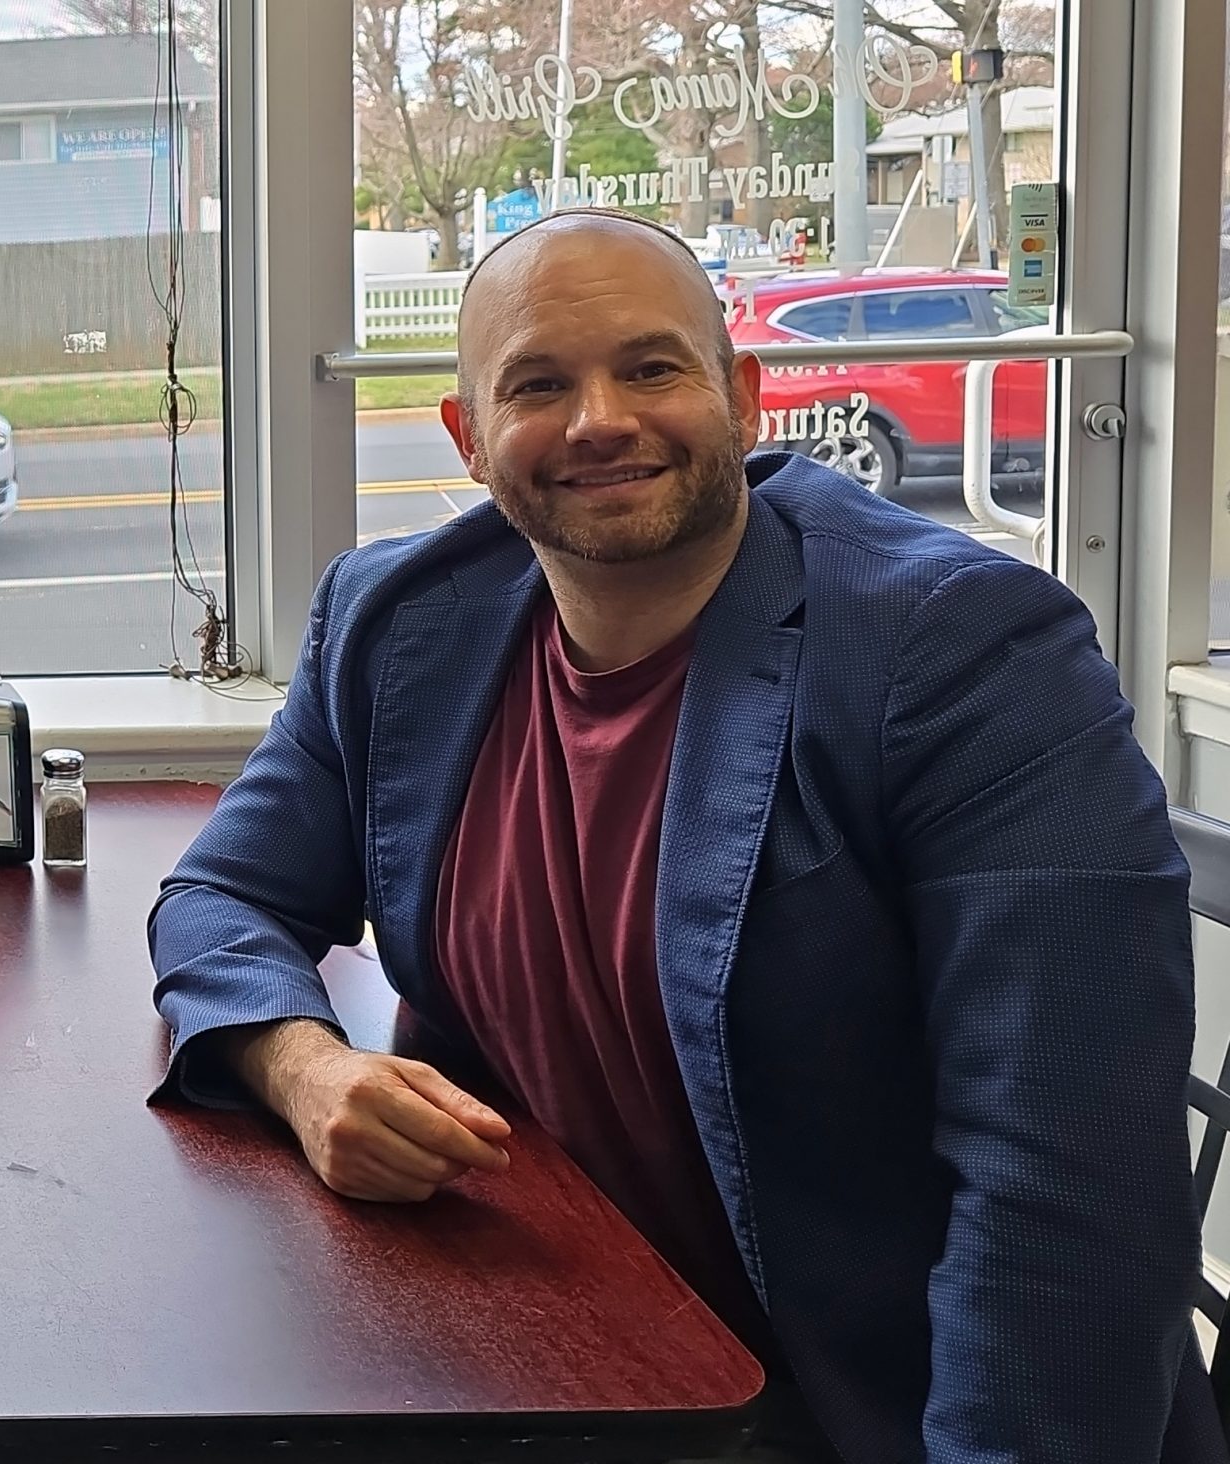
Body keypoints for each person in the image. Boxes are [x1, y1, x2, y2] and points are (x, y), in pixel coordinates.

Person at [148, 208, 1223, 1463]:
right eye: (538, 384)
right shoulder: (398, 620)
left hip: (862, 1405)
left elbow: (1065, 1189)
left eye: (651, 367)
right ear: (470, 436)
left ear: (745, 395)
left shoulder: (958, 648)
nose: (600, 419)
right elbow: (221, 898)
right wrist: (305, 1068)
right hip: (545, 1354)